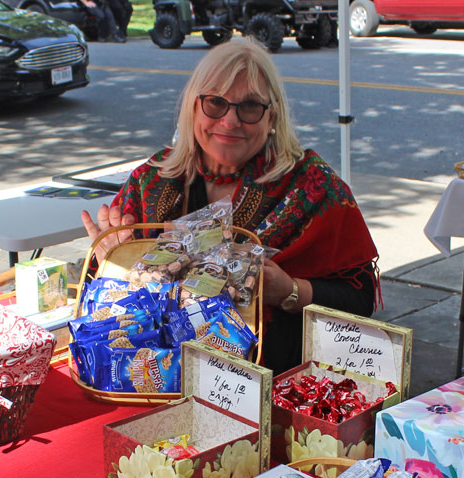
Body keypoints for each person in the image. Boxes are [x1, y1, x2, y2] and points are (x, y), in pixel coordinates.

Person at [81, 38, 380, 375]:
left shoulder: (312, 186)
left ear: (272, 117)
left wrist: (289, 292)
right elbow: (104, 296)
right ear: (194, 107)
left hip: (268, 380)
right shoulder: (151, 180)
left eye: (250, 107)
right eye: (215, 103)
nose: (229, 122)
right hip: (151, 375)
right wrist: (112, 262)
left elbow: (359, 297)